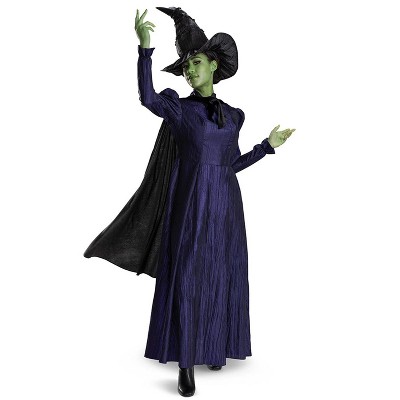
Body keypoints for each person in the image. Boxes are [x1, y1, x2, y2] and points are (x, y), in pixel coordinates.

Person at [84, 6, 295, 398]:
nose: (189, 71)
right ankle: (185, 362)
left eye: (195, 63)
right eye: (185, 67)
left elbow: (231, 164)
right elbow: (148, 98)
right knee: (188, 276)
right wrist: (144, 50)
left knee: (222, 273)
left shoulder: (233, 116)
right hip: (191, 204)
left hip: (226, 207)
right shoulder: (179, 109)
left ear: (214, 65)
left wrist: (266, 147)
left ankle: (213, 345)